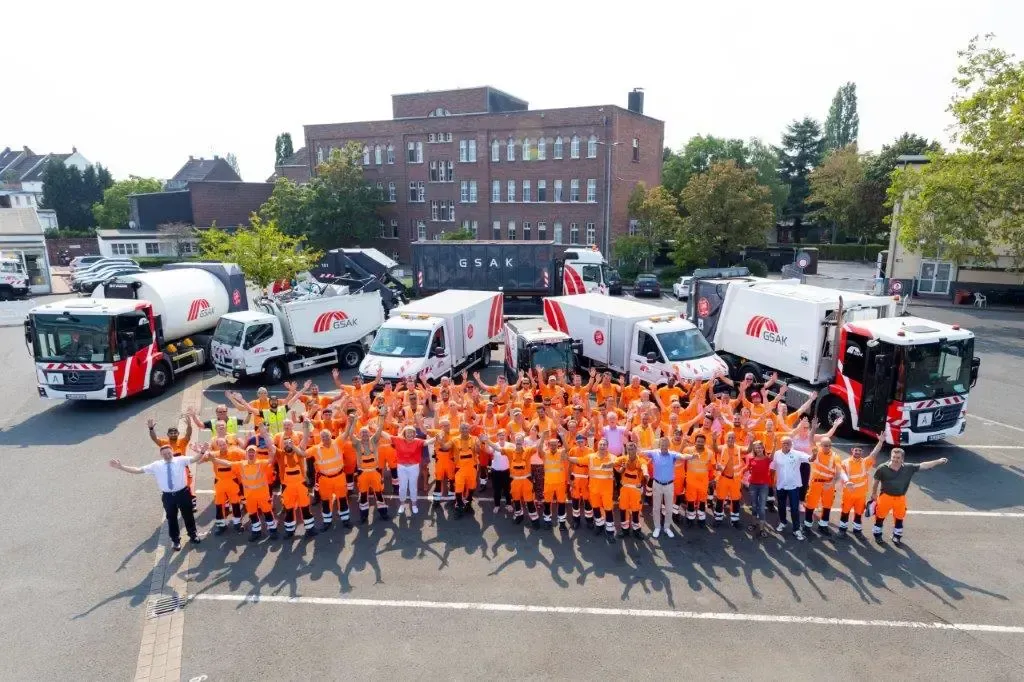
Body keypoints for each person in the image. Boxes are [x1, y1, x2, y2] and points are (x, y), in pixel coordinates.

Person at [109, 444, 205, 551]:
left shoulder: (181, 460)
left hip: (183, 493)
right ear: (161, 455)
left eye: (169, 453)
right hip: (168, 496)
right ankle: (175, 540)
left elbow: (195, 459)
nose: (167, 455)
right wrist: (121, 467)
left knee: (188, 515)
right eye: (164, 454)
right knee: (171, 518)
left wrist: (202, 451)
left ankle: (193, 535)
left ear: (172, 452)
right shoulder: (156, 465)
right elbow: (138, 470)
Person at [870, 449, 948, 546]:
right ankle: (877, 535)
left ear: (902, 458)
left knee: (899, 518)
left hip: (900, 498)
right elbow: (876, 481)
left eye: (898, 458)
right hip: (885, 497)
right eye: (893, 457)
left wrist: (938, 461)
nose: (895, 459)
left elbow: (924, 465)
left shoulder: (908, 467)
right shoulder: (882, 468)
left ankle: (896, 536)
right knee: (880, 516)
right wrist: (874, 493)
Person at [207, 444, 279, 542]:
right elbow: (227, 463)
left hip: (262, 496)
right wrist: (214, 459)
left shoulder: (261, 463)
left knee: (267, 513)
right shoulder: (241, 464)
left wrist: (272, 448)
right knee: (253, 514)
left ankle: (273, 530)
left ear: (256, 454)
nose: (251, 454)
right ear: (246, 454)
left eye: (253, 452)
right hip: (250, 496)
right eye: (249, 452)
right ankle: (256, 531)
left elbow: (271, 459)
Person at [640, 437, 694, 538]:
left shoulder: (673, 454)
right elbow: (642, 452)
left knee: (669, 508)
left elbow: (683, 456)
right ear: (659, 445)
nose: (664, 447)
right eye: (662, 445)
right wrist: (636, 449)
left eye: (665, 445)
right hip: (657, 484)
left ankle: (667, 527)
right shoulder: (654, 453)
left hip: (669, 485)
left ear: (669, 446)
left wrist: (691, 456)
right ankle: (657, 527)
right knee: (656, 508)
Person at [837, 435, 885, 537]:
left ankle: (857, 530)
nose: (857, 452)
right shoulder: (845, 462)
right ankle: (842, 529)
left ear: (862, 452)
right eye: (856, 450)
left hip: (861, 495)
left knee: (859, 513)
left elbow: (874, 453)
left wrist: (880, 442)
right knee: (845, 512)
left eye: (859, 451)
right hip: (848, 494)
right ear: (852, 450)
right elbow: (841, 473)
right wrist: (846, 482)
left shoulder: (865, 462)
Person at [306, 428, 352, 530]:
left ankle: (345, 519)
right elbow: (303, 454)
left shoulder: (337, 443)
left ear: (331, 436)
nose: (325, 438)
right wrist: (293, 446)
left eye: (327, 436)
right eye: (323, 437)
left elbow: (347, 433)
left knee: (342, 499)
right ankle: (327, 521)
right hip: (324, 479)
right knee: (325, 501)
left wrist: (350, 422)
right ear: (320, 438)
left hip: (339, 477)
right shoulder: (316, 448)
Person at [803, 435, 847, 535]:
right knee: (811, 504)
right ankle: (807, 526)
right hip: (816, 483)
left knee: (827, 505)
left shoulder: (835, 456)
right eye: (825, 445)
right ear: (821, 445)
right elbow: (810, 439)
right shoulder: (816, 451)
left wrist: (832, 483)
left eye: (829, 445)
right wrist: (813, 428)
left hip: (829, 484)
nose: (828, 447)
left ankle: (823, 526)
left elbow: (838, 472)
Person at [770, 436, 812, 540]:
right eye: (784, 443)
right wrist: (772, 481)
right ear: (781, 444)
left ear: (791, 444)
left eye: (788, 443)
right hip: (781, 485)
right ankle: (783, 522)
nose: (786, 445)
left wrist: (814, 454)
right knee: (781, 506)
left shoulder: (797, 454)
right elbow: (773, 466)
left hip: (793, 487)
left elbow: (810, 459)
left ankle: (796, 529)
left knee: (794, 508)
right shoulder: (777, 454)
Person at [393, 425, 436, 516]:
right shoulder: (398, 440)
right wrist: (378, 427)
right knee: (402, 487)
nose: (410, 434)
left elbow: (428, 442)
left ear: (414, 434)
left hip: (413, 467)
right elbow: (387, 436)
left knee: (413, 487)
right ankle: (402, 504)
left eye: (412, 433)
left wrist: (437, 437)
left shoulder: (418, 441)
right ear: (404, 434)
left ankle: (414, 505)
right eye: (408, 433)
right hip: (401, 467)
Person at [614, 443, 647, 539]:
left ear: (636, 449)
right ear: (626, 450)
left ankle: (637, 530)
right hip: (624, 489)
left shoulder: (641, 460)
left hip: (635, 490)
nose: (630, 451)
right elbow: (615, 463)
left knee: (636, 510)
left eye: (632, 449)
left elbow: (644, 467)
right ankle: (625, 530)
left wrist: (646, 473)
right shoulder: (623, 459)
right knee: (623, 509)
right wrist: (608, 464)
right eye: (629, 449)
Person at [745, 440, 772, 538]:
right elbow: (746, 468)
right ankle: (754, 524)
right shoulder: (751, 459)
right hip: (753, 485)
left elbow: (773, 456)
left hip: (764, 485)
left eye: (760, 447)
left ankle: (762, 529)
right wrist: (736, 473)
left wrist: (774, 444)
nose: (758, 449)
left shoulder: (767, 459)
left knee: (761, 508)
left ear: (763, 448)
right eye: (756, 448)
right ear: (754, 449)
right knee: (754, 505)